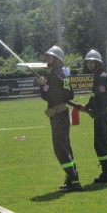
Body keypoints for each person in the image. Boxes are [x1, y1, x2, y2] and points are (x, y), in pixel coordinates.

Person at [38, 45, 83, 192]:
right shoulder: (62, 74)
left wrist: (42, 85)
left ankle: (74, 180)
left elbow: (48, 96)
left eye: (50, 56)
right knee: (66, 147)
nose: (47, 59)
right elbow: (69, 95)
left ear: (56, 59)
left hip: (58, 116)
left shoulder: (54, 75)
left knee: (60, 149)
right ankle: (71, 178)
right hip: (62, 114)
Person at [82, 49, 107, 184]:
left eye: (92, 62)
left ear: (98, 63)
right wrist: (88, 106)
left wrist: (91, 108)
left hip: (102, 115)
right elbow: (95, 96)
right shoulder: (100, 76)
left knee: (100, 145)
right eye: (88, 62)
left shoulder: (101, 77)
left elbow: (101, 97)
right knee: (100, 144)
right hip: (102, 114)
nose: (89, 65)